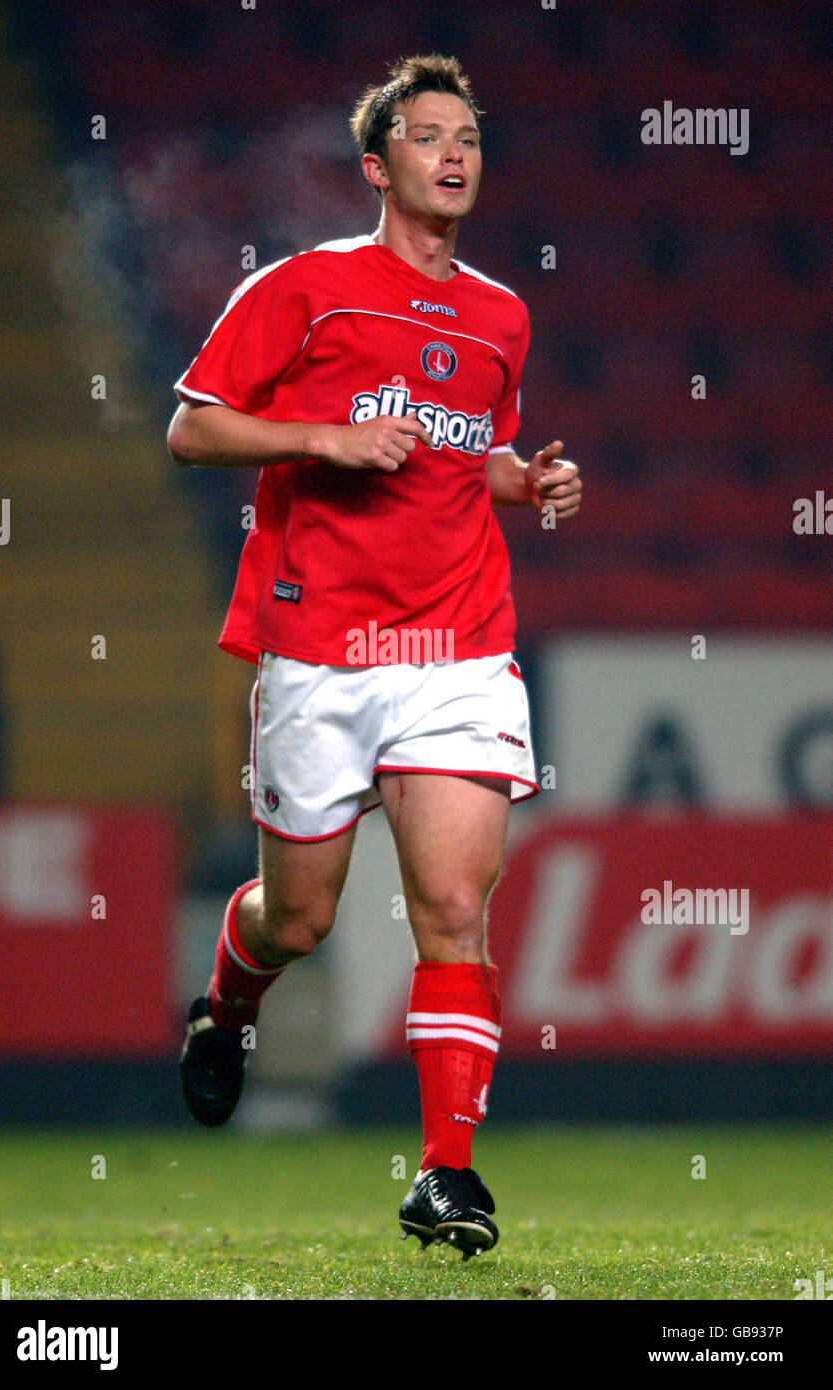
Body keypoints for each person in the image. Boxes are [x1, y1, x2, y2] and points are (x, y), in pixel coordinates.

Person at [168, 53, 582, 1259]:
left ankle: (445, 1175)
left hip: (455, 646)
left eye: (468, 136)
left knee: (453, 906)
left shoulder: (503, 313)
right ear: (376, 164)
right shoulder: (307, 290)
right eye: (427, 136)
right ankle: (226, 1006)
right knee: (298, 921)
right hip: (319, 648)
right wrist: (325, 438)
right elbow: (192, 426)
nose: (454, 153)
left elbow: (470, 460)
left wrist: (526, 480)